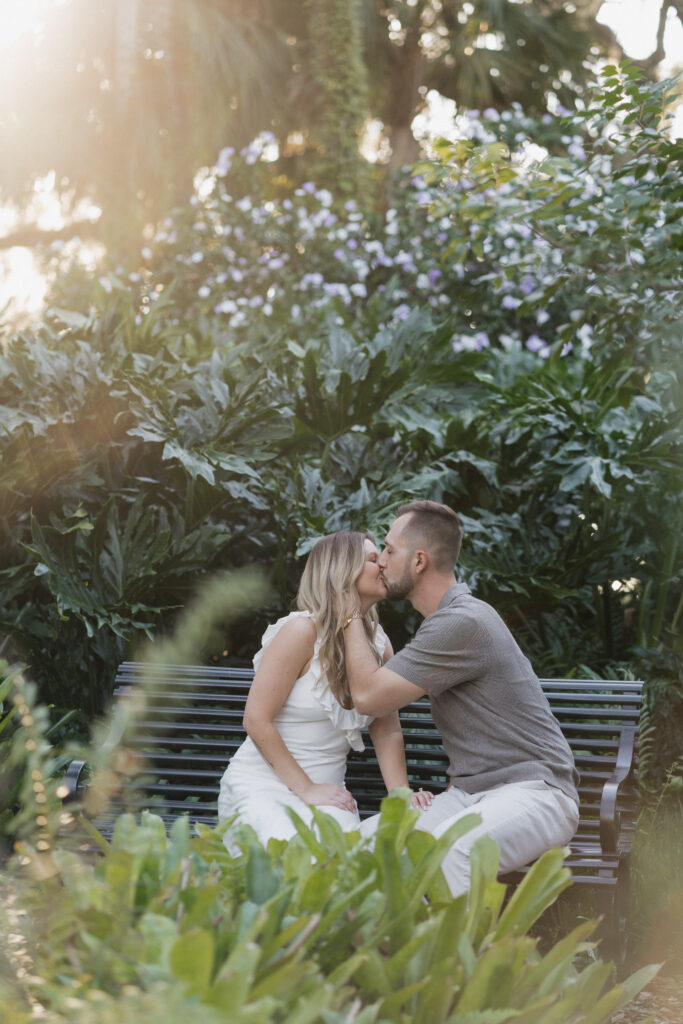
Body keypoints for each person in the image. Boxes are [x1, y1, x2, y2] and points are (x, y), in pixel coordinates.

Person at [342, 500, 580, 896]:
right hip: (469, 795)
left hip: (537, 793)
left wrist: (349, 611)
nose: (380, 561)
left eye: (388, 549)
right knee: (366, 845)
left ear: (419, 561)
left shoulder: (463, 622)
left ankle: (463, 959)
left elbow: (368, 696)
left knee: (455, 851)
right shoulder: (444, 623)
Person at [217, 530, 432, 847]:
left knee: (346, 868)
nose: (384, 565)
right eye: (374, 559)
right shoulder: (301, 632)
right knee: (292, 858)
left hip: (329, 795)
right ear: (343, 572)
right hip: (263, 786)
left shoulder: (379, 643)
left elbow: (386, 729)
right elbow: (255, 720)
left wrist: (402, 796)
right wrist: (306, 788)